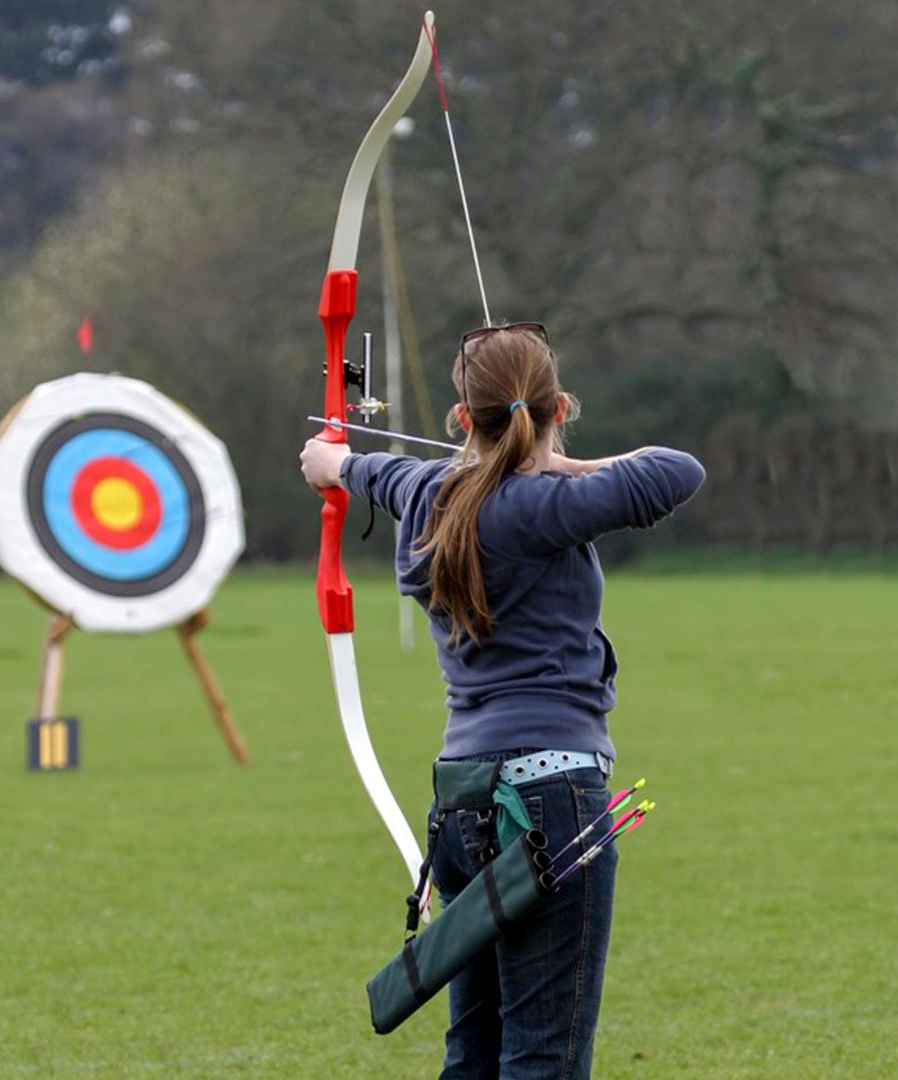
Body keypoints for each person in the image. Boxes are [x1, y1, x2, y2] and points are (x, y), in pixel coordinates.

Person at [300, 322, 705, 1079]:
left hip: (461, 805)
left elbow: (366, 469)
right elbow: (676, 470)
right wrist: (555, 462)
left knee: (475, 1055)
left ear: (461, 418)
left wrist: (337, 462)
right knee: (543, 1059)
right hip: (551, 804)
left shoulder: (424, 492)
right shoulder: (545, 506)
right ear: (559, 409)